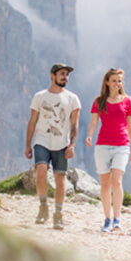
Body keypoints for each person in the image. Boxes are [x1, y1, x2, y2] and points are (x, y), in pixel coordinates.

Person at [25, 63, 81, 230]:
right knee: (41, 170)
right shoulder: (39, 97)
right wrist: (28, 144)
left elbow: (74, 125)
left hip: (62, 143)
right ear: (52, 75)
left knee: (60, 178)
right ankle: (43, 207)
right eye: (62, 74)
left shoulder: (73, 99)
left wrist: (72, 145)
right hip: (41, 140)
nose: (65, 77)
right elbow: (32, 121)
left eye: (67, 74)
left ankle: (58, 213)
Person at [85, 68, 131, 233]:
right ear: (107, 82)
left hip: (122, 145)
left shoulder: (127, 101)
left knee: (117, 180)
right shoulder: (99, 101)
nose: (117, 84)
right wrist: (89, 135)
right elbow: (94, 121)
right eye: (114, 80)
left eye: (119, 81)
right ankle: (107, 219)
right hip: (103, 145)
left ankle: (117, 219)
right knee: (105, 184)